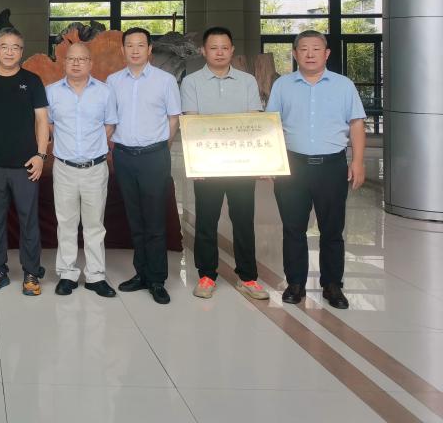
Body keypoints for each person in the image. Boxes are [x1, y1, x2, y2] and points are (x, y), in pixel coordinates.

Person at [267, 29, 366, 310]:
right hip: (292, 166)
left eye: (316, 49)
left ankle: (332, 284)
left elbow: (356, 124)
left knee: (332, 230)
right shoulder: (282, 85)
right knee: (293, 228)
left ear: (327, 53)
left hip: (331, 166)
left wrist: (357, 161)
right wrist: (269, 161)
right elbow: (271, 125)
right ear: (295, 53)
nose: (310, 54)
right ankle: (295, 283)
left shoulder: (344, 85)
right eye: (304, 49)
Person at [180, 27, 268, 301]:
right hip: (208, 165)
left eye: (224, 48)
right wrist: (196, 163)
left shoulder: (247, 81)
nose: (219, 53)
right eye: (213, 48)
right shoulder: (191, 82)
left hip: (242, 164)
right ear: (203, 51)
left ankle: (248, 277)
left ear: (232, 50)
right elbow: (191, 123)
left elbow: (254, 121)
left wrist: (258, 162)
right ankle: (206, 276)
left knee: (243, 220)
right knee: (206, 221)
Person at [108, 27, 182, 305]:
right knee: (135, 218)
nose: (135, 50)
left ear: (150, 49)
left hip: (154, 156)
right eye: (130, 45)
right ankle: (141, 273)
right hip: (124, 156)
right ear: (123, 50)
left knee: (155, 219)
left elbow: (173, 119)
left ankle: (157, 279)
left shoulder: (165, 81)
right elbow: (110, 118)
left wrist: (162, 148)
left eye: (141, 45)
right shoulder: (113, 81)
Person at [0, 28, 49, 297]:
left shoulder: (32, 80)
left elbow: (42, 120)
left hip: (26, 165)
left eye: (15, 47)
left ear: (21, 51)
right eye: (4, 47)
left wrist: (40, 156)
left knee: (29, 220)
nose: (9, 52)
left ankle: (31, 272)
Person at [46, 41, 119, 298]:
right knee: (66, 223)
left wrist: (91, 146)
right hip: (64, 167)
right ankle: (67, 274)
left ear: (90, 63)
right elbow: (49, 125)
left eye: (82, 59)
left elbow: (110, 125)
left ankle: (96, 276)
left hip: (95, 168)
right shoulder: (51, 92)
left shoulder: (105, 92)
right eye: (71, 59)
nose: (76, 63)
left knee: (94, 225)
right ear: (64, 62)